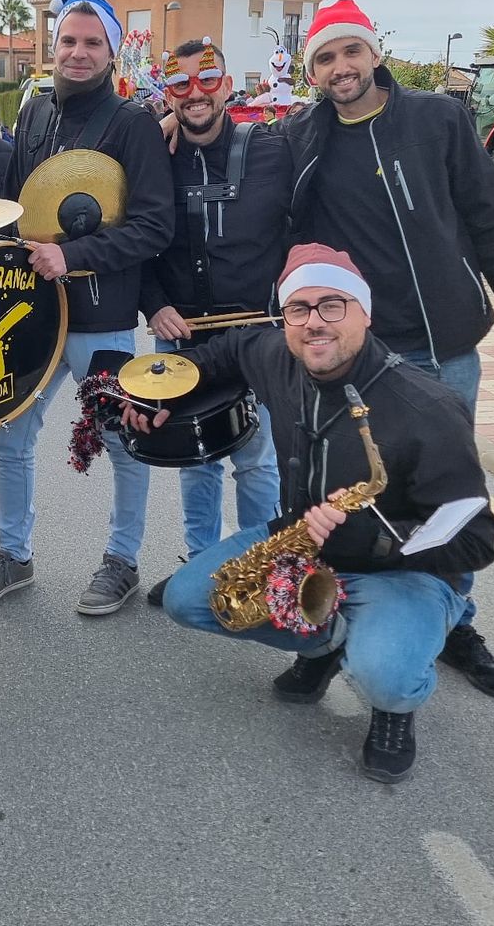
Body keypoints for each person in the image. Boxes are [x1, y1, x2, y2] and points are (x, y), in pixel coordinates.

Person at [126, 245, 494, 783]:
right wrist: (166, 393)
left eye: (332, 305)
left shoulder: (429, 409)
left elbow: (478, 541)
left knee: (386, 677)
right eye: (298, 309)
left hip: (401, 573)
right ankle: (324, 642)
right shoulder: (281, 354)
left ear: (364, 313)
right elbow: (228, 350)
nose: (313, 323)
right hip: (301, 546)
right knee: (188, 599)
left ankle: (395, 706)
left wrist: (376, 538)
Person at [284, 0, 494, 701]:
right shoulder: (301, 137)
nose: (341, 68)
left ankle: (453, 622)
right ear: (313, 72)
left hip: (443, 353)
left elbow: (487, 221)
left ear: (374, 54)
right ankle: (331, 630)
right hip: (360, 358)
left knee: (448, 504)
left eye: (351, 52)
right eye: (325, 58)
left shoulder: (438, 119)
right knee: (341, 498)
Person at [0, 0, 174, 615]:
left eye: (92, 43)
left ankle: (123, 560)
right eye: (68, 41)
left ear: (110, 53)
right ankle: (14, 556)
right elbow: (11, 207)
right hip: (31, 311)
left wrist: (73, 257)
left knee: (119, 440)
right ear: (51, 47)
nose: (78, 53)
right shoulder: (34, 114)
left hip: (101, 319)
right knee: (11, 437)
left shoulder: (132, 124)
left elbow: (154, 225)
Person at [139, 38, 291, 605]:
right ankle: (200, 565)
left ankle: (261, 568)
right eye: (180, 85)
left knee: (257, 458)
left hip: (256, 333)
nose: (195, 94)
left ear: (226, 86)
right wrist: (154, 304)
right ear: (169, 93)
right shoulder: (154, 154)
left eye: (206, 82)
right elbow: (140, 241)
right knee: (194, 454)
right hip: (182, 331)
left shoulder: (274, 148)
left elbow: (298, 229)